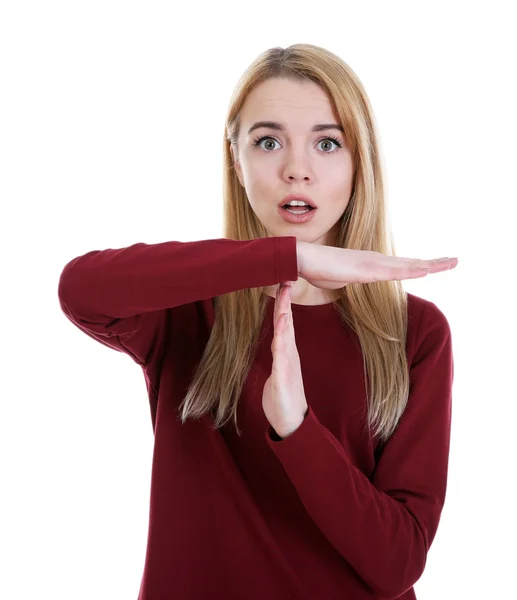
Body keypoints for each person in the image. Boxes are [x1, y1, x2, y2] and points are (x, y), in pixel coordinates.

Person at [57, 43, 458, 600]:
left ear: (358, 160)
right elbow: (81, 288)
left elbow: (399, 562)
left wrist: (297, 432)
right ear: (235, 162)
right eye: (268, 142)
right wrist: (286, 259)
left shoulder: (415, 332)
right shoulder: (187, 309)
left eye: (327, 142)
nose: (297, 169)